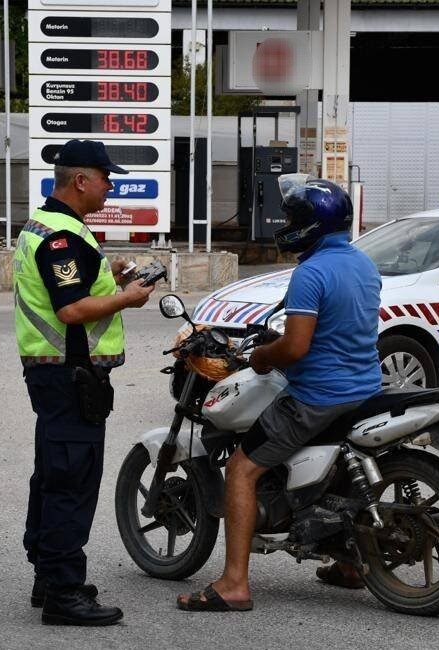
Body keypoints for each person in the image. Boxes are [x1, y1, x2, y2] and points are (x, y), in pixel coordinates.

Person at [176, 175, 382, 612]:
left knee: (241, 469)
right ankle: (348, 565)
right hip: (364, 389)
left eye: (292, 217)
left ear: (310, 224)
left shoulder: (311, 272)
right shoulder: (363, 263)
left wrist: (263, 358)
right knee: (339, 474)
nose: (285, 223)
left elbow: (295, 347)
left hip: (317, 396)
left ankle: (234, 583)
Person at [14, 139, 154, 627]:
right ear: (80, 180)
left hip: (55, 373)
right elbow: (71, 309)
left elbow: (73, 290)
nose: (110, 185)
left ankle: (47, 575)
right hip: (68, 375)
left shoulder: (54, 227)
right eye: (104, 177)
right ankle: (64, 592)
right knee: (72, 480)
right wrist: (128, 299)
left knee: (53, 475)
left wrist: (107, 276)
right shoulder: (62, 236)